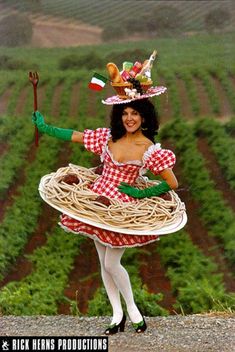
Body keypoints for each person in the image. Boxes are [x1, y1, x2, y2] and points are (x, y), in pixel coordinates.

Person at [32, 97, 178, 334]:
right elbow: (77, 136)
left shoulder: (148, 148)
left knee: (112, 262)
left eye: (135, 114)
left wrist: (141, 193)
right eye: (125, 113)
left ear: (143, 117)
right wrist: (46, 128)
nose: (129, 118)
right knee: (103, 262)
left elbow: (171, 182)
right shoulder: (109, 137)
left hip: (120, 208)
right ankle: (116, 315)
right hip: (97, 202)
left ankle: (133, 310)